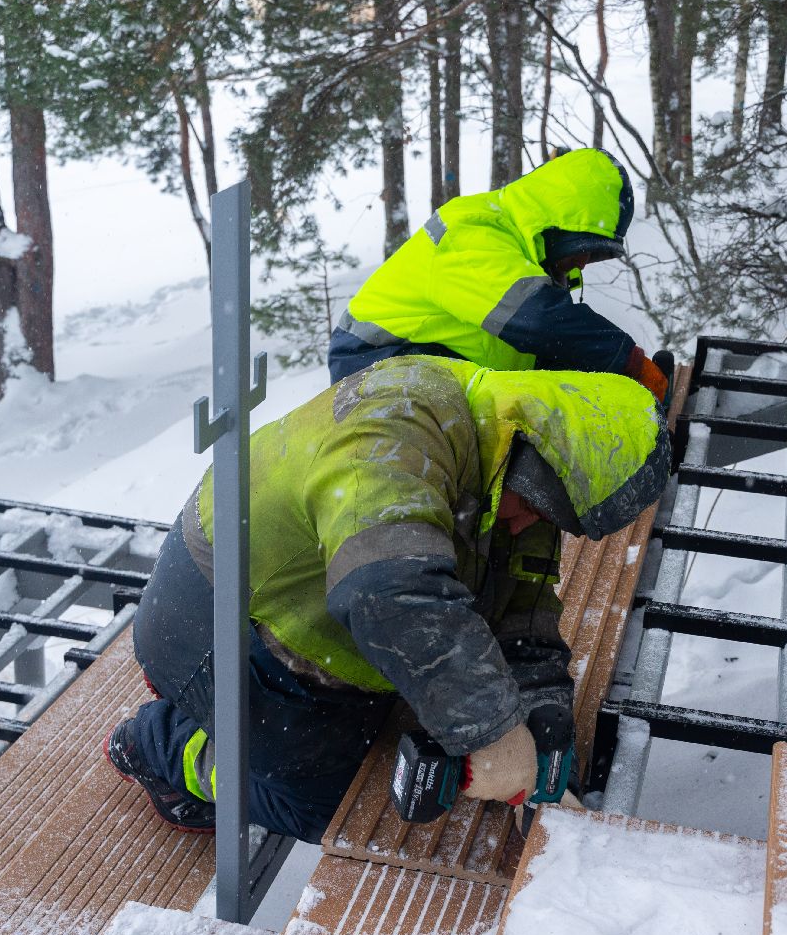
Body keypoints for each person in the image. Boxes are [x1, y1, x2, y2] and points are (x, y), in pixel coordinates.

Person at [102, 355, 670, 843]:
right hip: (218, 614)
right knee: (334, 808)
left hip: (309, 610)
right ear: (531, 458)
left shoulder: (517, 462)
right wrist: (493, 731)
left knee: (395, 736)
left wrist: (540, 704)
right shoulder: (396, 432)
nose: (530, 526)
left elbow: (523, 592)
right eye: (537, 510)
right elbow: (386, 590)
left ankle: (233, 721)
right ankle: (162, 744)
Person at [328, 147, 668, 404]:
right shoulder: (472, 231)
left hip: (432, 366)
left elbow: (547, 350)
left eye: (595, 255)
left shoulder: (528, 259)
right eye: (583, 248)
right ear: (555, 225)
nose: (583, 262)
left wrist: (611, 382)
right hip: (373, 367)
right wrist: (628, 361)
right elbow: (539, 321)